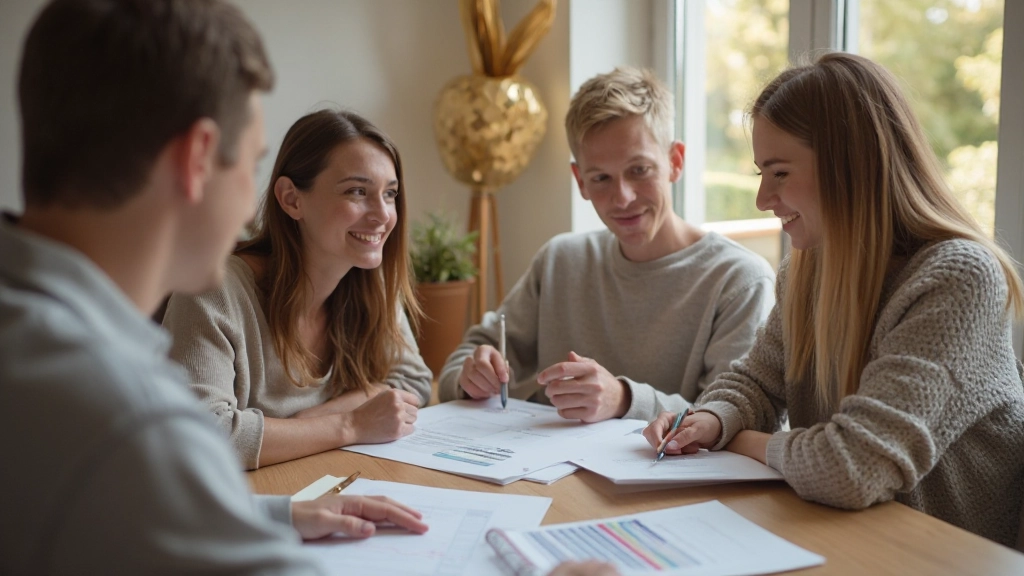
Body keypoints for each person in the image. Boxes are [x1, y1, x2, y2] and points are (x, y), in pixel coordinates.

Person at [643, 52, 1024, 547]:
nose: (762, 198)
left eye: (779, 173)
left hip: (941, 556)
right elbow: (756, 380)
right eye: (762, 172)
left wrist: (739, 439)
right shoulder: (809, 271)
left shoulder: (958, 280)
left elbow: (852, 467)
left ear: (851, 165)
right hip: (847, 539)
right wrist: (711, 421)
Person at [438, 67, 776, 423]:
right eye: (600, 178)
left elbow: (737, 419)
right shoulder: (560, 260)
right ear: (580, 181)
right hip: (544, 473)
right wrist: (469, 376)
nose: (623, 197)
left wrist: (624, 400)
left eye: (639, 170)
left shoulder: (740, 280)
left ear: (675, 162)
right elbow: (463, 361)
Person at [162, 109, 432, 470]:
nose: (383, 215)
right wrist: (351, 423)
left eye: (390, 194)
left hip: (328, 485)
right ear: (291, 199)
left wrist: (306, 423)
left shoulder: (370, 279)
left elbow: (412, 380)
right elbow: (201, 438)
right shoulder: (212, 290)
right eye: (357, 191)